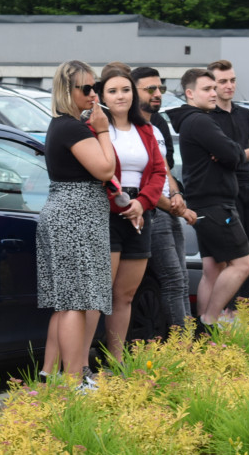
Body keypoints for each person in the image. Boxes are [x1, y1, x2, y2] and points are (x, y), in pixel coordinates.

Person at [36, 60, 116, 388]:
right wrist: (103, 130)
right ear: (67, 91)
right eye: (86, 88)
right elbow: (105, 169)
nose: (93, 94)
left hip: (69, 213)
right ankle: (73, 380)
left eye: (95, 87)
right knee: (75, 302)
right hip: (74, 216)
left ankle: (50, 376)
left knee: (67, 300)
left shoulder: (63, 126)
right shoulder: (70, 127)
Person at [168, 68, 249, 331]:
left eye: (214, 88)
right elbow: (233, 153)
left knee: (213, 269)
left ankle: (203, 334)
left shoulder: (191, 120)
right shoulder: (201, 121)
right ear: (190, 93)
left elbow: (228, 152)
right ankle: (210, 320)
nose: (214, 93)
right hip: (215, 204)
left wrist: (228, 151)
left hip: (202, 203)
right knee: (243, 262)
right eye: (207, 89)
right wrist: (232, 151)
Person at [92, 64, 166, 361]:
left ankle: (116, 362)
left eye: (125, 90)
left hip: (140, 214)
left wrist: (142, 204)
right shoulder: (96, 128)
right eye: (112, 91)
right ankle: (80, 364)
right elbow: (99, 171)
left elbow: (159, 172)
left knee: (125, 296)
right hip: (108, 215)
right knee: (100, 294)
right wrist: (123, 204)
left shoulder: (146, 129)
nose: (120, 96)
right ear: (101, 96)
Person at [208, 59, 249, 312]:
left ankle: (234, 307)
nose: (229, 86)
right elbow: (227, 157)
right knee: (233, 260)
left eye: (232, 80)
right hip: (226, 191)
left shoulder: (244, 114)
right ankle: (227, 312)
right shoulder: (208, 118)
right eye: (222, 81)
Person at [131, 66, 196, 330]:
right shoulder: (131, 130)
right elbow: (141, 183)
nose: (158, 94)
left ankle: (190, 343)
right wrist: (175, 208)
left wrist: (178, 193)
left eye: (161, 89)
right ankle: (181, 348)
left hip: (170, 208)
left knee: (181, 280)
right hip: (154, 212)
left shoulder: (154, 127)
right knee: (171, 280)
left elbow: (164, 168)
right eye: (150, 89)